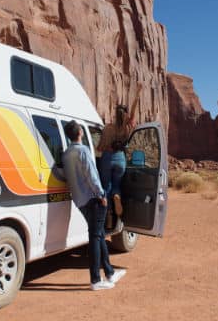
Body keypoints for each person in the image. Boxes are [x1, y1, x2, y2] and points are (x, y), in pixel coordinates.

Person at [62, 120, 126, 291]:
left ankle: (110, 272)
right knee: (95, 237)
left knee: (99, 234)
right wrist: (101, 195)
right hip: (93, 199)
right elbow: (91, 175)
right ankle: (96, 280)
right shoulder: (83, 150)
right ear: (80, 132)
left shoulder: (66, 153)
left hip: (79, 201)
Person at [97, 82, 142, 220]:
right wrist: (137, 94)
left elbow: (100, 147)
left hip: (108, 157)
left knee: (106, 185)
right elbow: (133, 112)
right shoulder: (128, 127)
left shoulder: (108, 128)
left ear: (115, 114)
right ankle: (117, 197)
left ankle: (108, 213)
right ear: (126, 114)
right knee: (116, 185)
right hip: (120, 158)